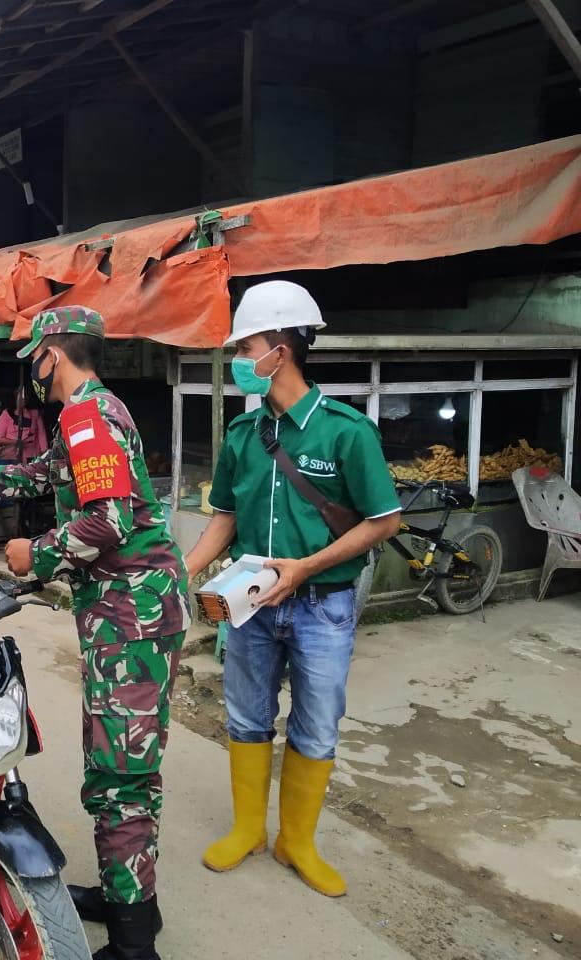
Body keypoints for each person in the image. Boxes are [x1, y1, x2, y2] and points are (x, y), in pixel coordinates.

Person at [0, 306, 188, 960]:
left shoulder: (88, 415)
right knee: (116, 760)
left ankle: (133, 943)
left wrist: (33, 555)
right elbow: (37, 475)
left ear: (52, 356)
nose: (29, 371)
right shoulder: (89, 415)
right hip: (128, 607)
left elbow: (109, 524)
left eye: (31, 358)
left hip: (133, 613)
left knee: (120, 771)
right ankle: (128, 898)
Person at [183, 280, 401, 898]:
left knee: (316, 727)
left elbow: (383, 520)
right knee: (248, 718)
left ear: (280, 349)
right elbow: (224, 516)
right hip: (249, 608)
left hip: (322, 606)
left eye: (245, 346)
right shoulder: (242, 436)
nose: (238, 361)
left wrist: (306, 567)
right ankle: (249, 829)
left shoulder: (346, 432)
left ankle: (296, 841)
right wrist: (182, 570)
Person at [0, 389, 49, 461]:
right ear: (15, 398)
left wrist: (45, 452)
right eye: (20, 397)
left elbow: (41, 434)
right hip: (10, 457)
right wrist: (16, 442)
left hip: (31, 455)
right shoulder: (6, 414)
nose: (23, 399)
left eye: (25, 396)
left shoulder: (35, 413)